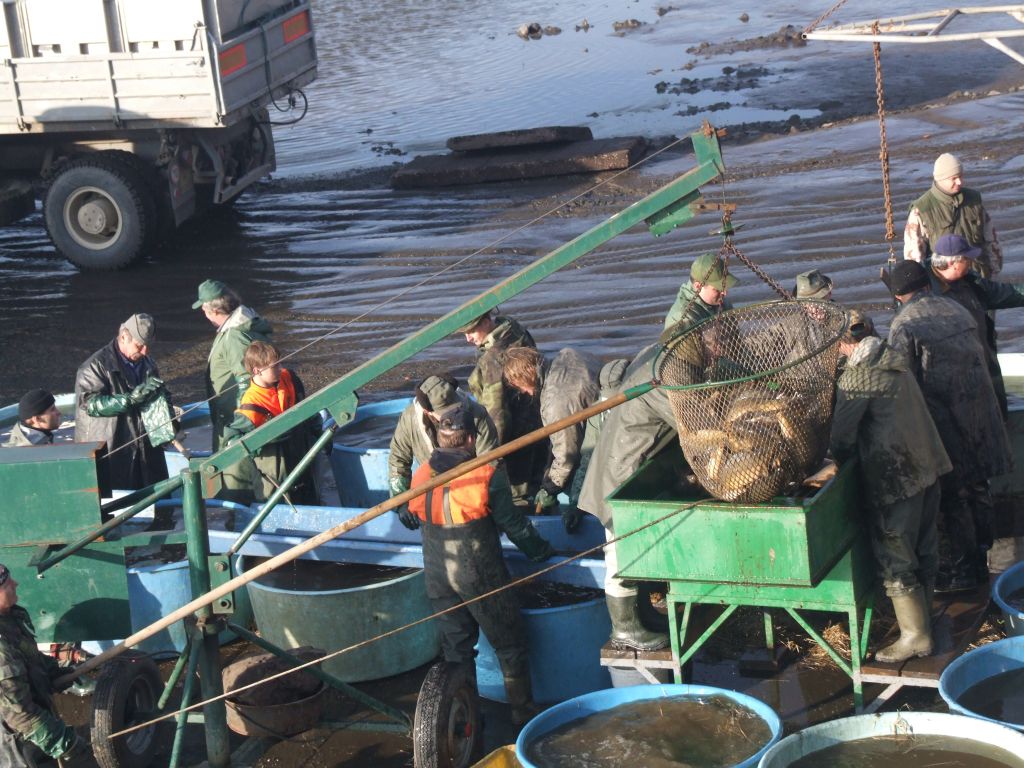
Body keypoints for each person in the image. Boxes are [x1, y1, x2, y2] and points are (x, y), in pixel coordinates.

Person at [407, 406, 554, 727]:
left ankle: (467, 719)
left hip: (437, 574)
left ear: (440, 439)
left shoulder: (421, 475)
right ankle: (522, 714)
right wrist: (541, 552)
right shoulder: (486, 475)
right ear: (472, 439)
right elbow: (514, 525)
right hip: (477, 573)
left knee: (456, 649)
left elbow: (410, 515)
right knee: (510, 643)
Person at [830, 312, 952, 663]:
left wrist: (835, 460)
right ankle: (924, 620)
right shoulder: (893, 359)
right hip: (928, 467)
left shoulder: (859, 376)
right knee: (925, 547)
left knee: (896, 559)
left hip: (896, 478)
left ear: (842, 343)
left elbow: (842, 438)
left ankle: (915, 636)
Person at [887, 260, 1011, 593]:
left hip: (947, 421)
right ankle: (984, 557)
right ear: (926, 284)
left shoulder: (904, 324)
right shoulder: (956, 308)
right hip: (983, 415)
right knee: (980, 486)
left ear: (898, 296)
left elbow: (900, 380)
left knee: (956, 495)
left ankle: (966, 572)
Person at [502, 346, 602, 532]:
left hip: (602, 443)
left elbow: (567, 455)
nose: (523, 392)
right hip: (604, 417)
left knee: (568, 489)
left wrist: (550, 487)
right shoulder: (568, 354)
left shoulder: (555, 404)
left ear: (526, 378)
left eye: (520, 386)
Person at [0, 563, 88, 767]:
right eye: (7, 583)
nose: (16, 583)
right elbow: (20, 714)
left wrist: (54, 671)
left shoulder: (9, 618)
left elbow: (28, 657)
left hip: (34, 728)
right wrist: (65, 743)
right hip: (15, 743)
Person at [926, 233, 1024, 416]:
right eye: (967, 259)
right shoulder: (925, 293)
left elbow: (1005, 293)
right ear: (953, 263)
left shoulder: (971, 281)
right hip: (954, 380)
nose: (972, 262)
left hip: (983, 367)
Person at [193, 279, 272, 502]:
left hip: (237, 426)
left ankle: (240, 519)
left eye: (203, 308)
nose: (203, 313)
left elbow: (249, 381)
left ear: (213, 310)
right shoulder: (246, 325)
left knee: (237, 487)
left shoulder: (234, 336)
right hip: (241, 422)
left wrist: (240, 426)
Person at [387, 373, 497, 531]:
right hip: (433, 486)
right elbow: (398, 460)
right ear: (428, 412)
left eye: (455, 407)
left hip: (470, 486)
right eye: (445, 412)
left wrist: (492, 503)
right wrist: (401, 503)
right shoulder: (410, 419)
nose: (453, 414)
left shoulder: (476, 414)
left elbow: (490, 462)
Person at [74, 314, 169, 491]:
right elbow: (89, 404)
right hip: (113, 450)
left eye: (148, 346)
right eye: (139, 346)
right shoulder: (93, 366)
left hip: (145, 449)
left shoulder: (148, 363)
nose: (145, 352)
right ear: (124, 337)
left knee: (156, 499)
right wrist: (130, 399)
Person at [459, 309, 544, 506]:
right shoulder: (514, 329)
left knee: (518, 495)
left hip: (516, 438)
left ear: (486, 322)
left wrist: (490, 455)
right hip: (537, 421)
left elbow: (496, 415)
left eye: (471, 331)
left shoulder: (492, 359)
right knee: (539, 480)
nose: (468, 338)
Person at [222, 341, 319, 505]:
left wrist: (317, 430)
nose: (280, 368)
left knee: (311, 500)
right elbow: (232, 438)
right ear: (256, 371)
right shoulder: (250, 406)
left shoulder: (289, 379)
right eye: (274, 366)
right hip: (276, 469)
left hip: (301, 455)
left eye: (280, 363)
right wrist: (257, 447)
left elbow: (308, 406)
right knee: (279, 505)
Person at [905, 152, 1003, 277]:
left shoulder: (973, 201)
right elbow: (915, 255)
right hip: (943, 280)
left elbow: (991, 239)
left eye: (961, 176)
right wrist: (921, 282)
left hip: (977, 276)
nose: (959, 182)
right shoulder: (922, 209)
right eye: (954, 178)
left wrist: (994, 271)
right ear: (940, 179)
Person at [663, 251, 737, 331]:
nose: (724, 293)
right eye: (717, 289)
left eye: (724, 287)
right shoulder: (684, 318)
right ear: (698, 286)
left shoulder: (723, 304)